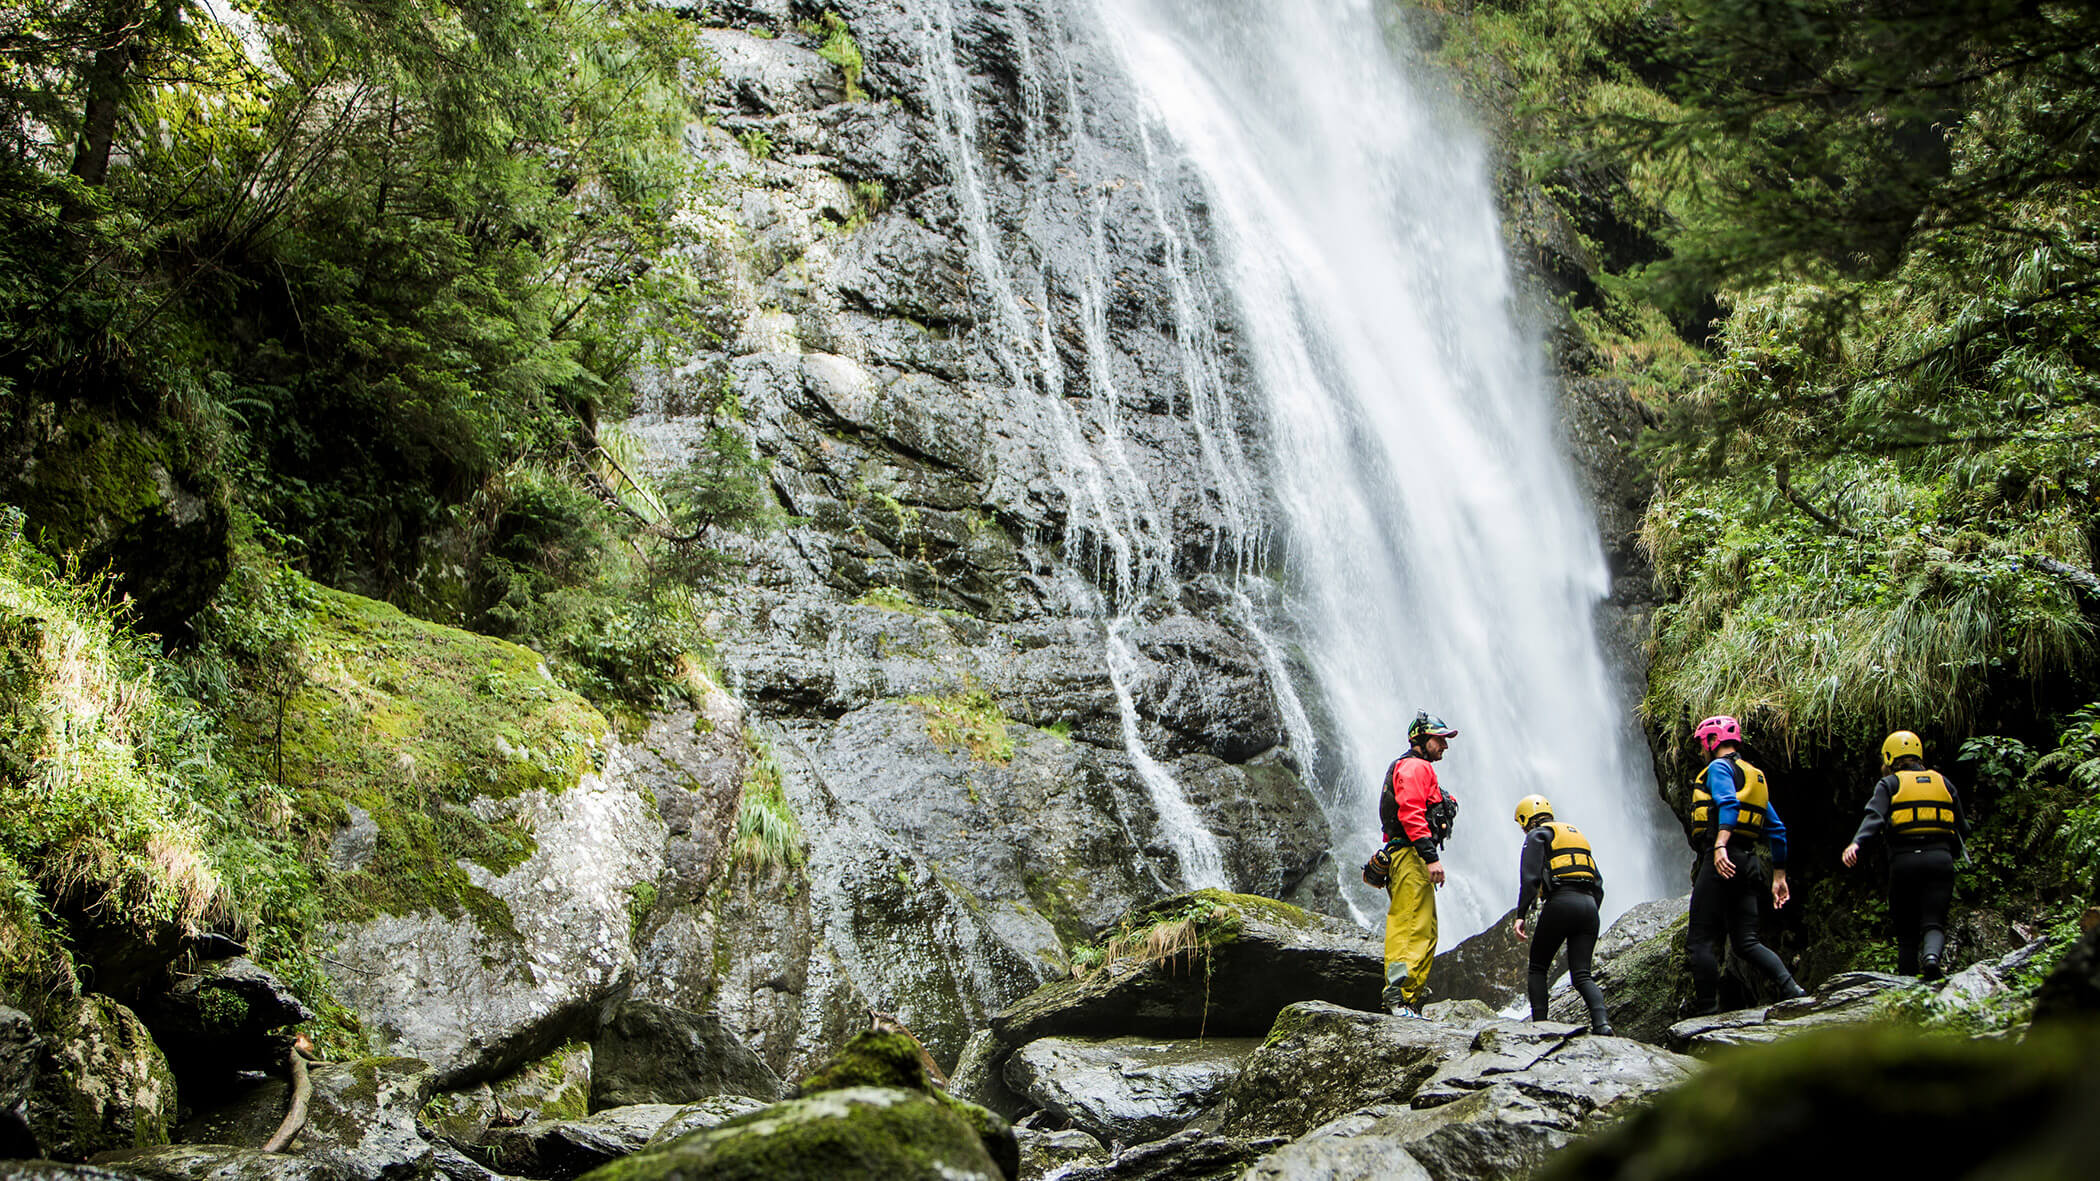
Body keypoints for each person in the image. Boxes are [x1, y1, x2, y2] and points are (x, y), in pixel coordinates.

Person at [1684, 715, 1807, 1014]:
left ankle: (1706, 1011)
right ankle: (1792, 988)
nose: (1702, 749)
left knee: (1699, 939)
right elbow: (1776, 829)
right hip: (1748, 862)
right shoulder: (1755, 776)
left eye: (1703, 743)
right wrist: (1779, 875)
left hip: (1723, 859)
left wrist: (1720, 844)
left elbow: (1729, 803)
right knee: (1746, 941)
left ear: (1712, 742)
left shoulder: (1718, 768)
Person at [1842, 730, 1969, 980]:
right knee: (1934, 922)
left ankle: (1906, 985)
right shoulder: (1943, 782)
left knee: (1907, 931)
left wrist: (1856, 843)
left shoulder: (1889, 784)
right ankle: (1931, 958)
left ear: (1890, 757)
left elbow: (1874, 817)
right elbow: (1962, 828)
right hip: (1940, 860)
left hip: (1905, 862)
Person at [1510, 794, 1612, 1034]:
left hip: (1561, 903)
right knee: (1582, 974)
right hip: (1588, 906)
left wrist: (1521, 914)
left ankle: (1541, 1027)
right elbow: (1598, 883)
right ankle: (1602, 1024)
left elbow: (1530, 879)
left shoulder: (1537, 835)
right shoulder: (1575, 835)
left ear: (1526, 819)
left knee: (1538, 967)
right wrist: (1588, 914)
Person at [1377, 710, 1457, 1017]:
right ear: (1422, 739)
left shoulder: (1416, 767)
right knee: (1411, 925)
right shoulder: (1414, 767)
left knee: (1425, 928)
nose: (1445, 747)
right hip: (1410, 855)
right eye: (1440, 739)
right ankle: (1398, 998)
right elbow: (1411, 812)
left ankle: (1407, 999)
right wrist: (1430, 857)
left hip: (1410, 854)